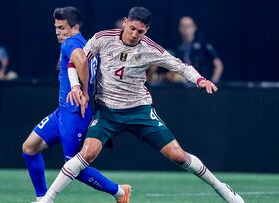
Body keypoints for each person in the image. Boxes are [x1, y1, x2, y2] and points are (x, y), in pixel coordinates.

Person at [38, 7, 244, 203]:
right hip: (107, 112)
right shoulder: (103, 38)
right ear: (125, 22)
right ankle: (47, 199)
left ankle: (222, 188)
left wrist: (200, 80)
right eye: (132, 28)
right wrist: (75, 87)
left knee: (178, 156)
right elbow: (76, 62)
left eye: (140, 31)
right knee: (86, 154)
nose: (135, 34)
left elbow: (181, 67)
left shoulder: (150, 49)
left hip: (140, 111)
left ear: (146, 31)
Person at [21, 7, 130, 203]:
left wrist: (83, 92)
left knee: (74, 167)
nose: (58, 32)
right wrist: (78, 86)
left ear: (75, 27)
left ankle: (120, 192)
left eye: (62, 27)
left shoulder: (71, 43)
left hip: (76, 114)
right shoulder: (84, 43)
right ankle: (41, 198)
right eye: (56, 27)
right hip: (62, 112)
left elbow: (80, 61)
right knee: (29, 148)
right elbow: (80, 63)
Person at [173, 16, 223, 83]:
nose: (185, 29)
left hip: (201, 85)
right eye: (183, 26)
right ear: (179, 28)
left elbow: (218, 65)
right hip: (183, 86)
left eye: (188, 26)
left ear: (194, 27)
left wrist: (213, 82)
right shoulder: (177, 46)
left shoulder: (203, 45)